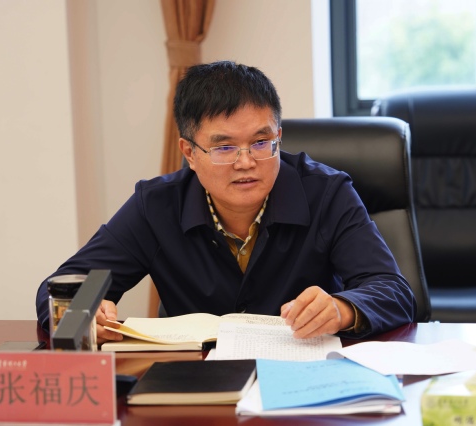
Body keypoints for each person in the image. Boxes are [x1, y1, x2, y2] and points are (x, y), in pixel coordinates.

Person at [35, 61, 415, 344]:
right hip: (194, 388)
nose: (246, 162)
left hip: (301, 384)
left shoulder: (327, 193)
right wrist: (83, 313)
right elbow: (59, 289)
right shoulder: (157, 206)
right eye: (224, 147)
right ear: (189, 152)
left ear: (279, 137)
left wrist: (341, 309)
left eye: (261, 142)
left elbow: (394, 291)